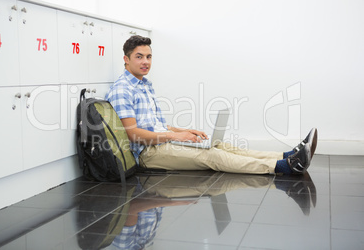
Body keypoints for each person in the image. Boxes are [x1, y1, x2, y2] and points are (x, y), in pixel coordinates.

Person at [105, 35, 318, 175]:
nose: (146, 62)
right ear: (126, 59)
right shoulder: (123, 89)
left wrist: (184, 131)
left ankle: (288, 155)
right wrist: (176, 137)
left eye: (149, 57)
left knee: (221, 145)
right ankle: (285, 167)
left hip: (162, 142)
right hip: (147, 153)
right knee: (212, 156)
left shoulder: (144, 85)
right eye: (139, 57)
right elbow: (133, 134)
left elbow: (156, 125)